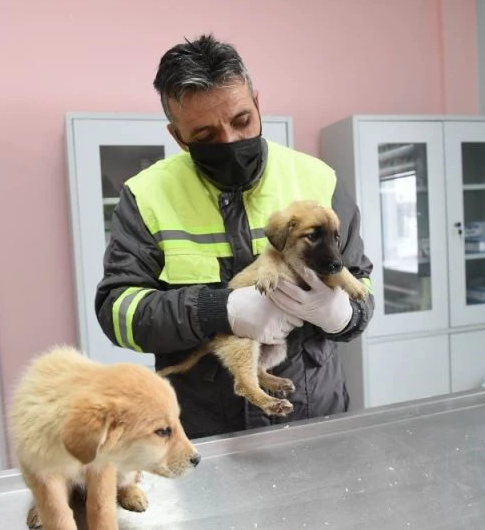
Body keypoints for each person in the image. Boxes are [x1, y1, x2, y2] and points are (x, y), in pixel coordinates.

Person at [94, 33, 375, 439]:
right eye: (205, 136)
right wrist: (215, 310)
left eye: (242, 120)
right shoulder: (146, 196)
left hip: (315, 413)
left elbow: (362, 284)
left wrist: (341, 314)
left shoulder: (318, 179)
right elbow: (117, 312)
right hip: (201, 426)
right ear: (177, 136)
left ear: (258, 104)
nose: (229, 141)